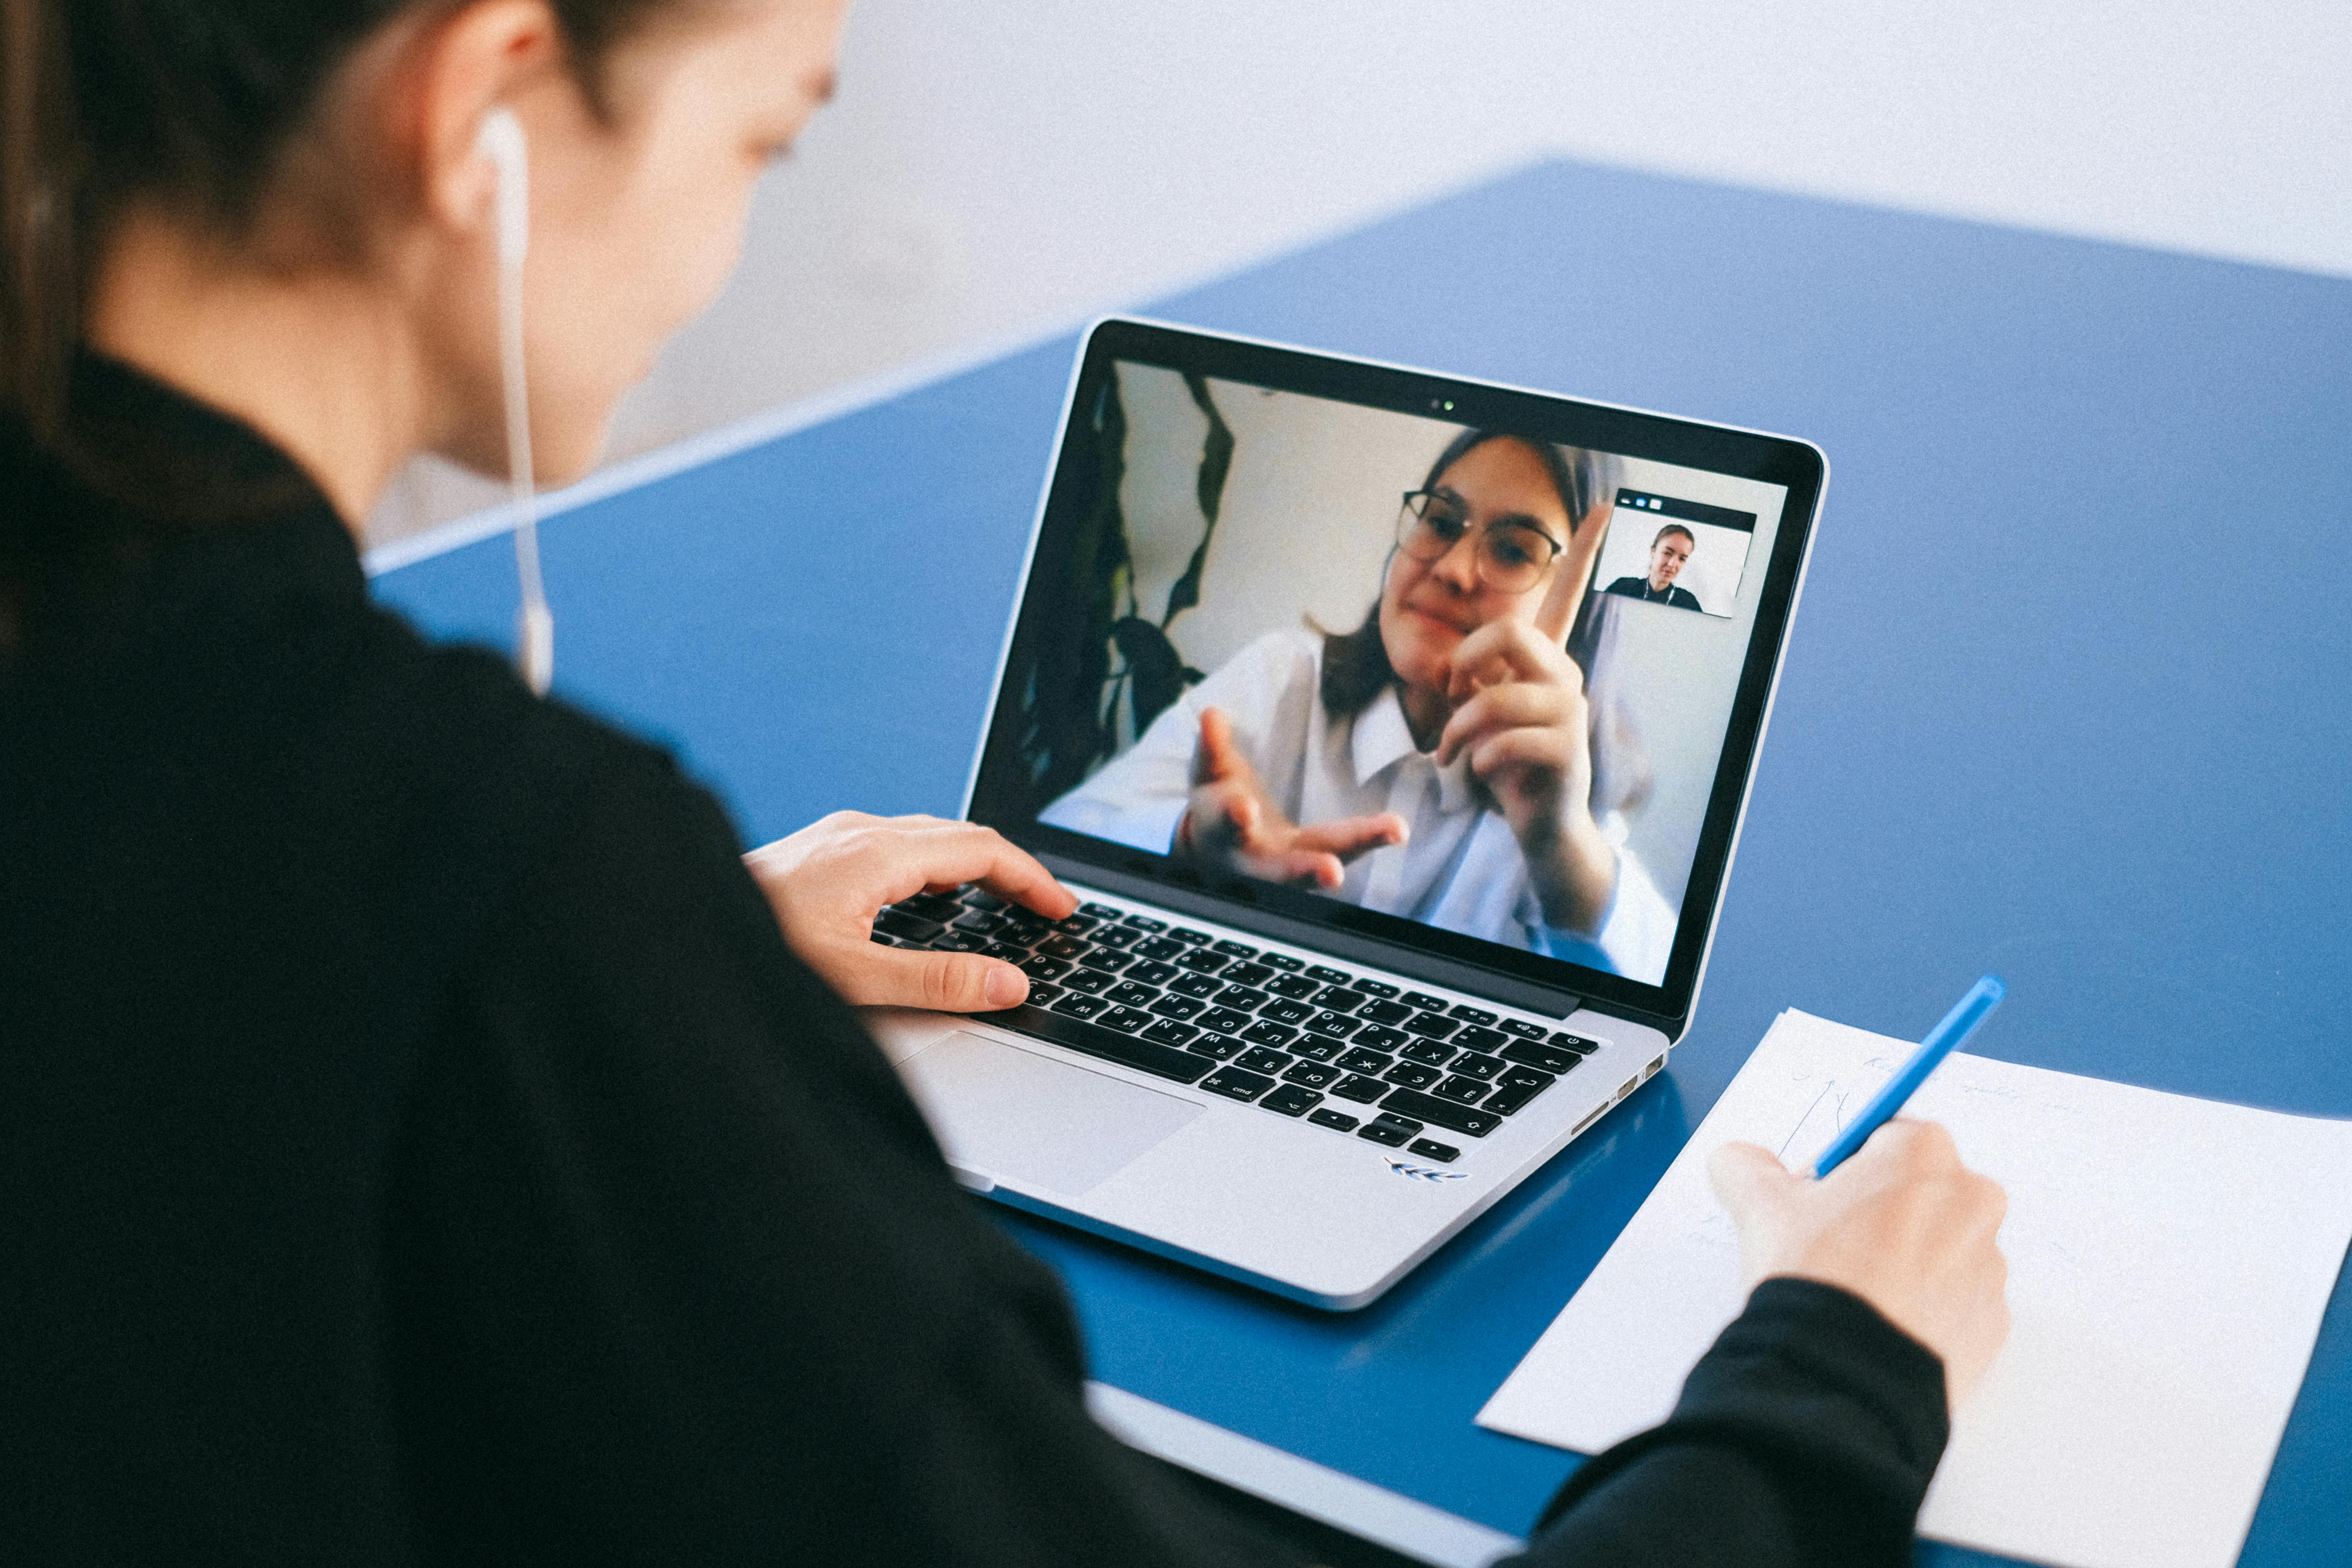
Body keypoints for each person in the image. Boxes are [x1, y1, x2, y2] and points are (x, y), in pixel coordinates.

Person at [0, 2, 2009, 1563]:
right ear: (487, 105)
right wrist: (1835, 1369)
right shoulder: (511, 887)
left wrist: (678, 959)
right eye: (765, 137)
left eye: (1514, 552)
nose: (728, 244)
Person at [1043, 428, 1678, 980]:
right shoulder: (1283, 677)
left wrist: (1560, 842)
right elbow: (1063, 834)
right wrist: (1188, 842)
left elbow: (1652, 1001)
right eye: (1441, 522)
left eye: (1513, 550)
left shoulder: (1562, 800)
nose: (1454, 569)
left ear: (1580, 609)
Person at [1605, 522, 1704, 610]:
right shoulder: (1622, 589)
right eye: (1667, 553)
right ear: (1653, 551)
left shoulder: (1688, 603)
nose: (1672, 564)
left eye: (1682, 559)